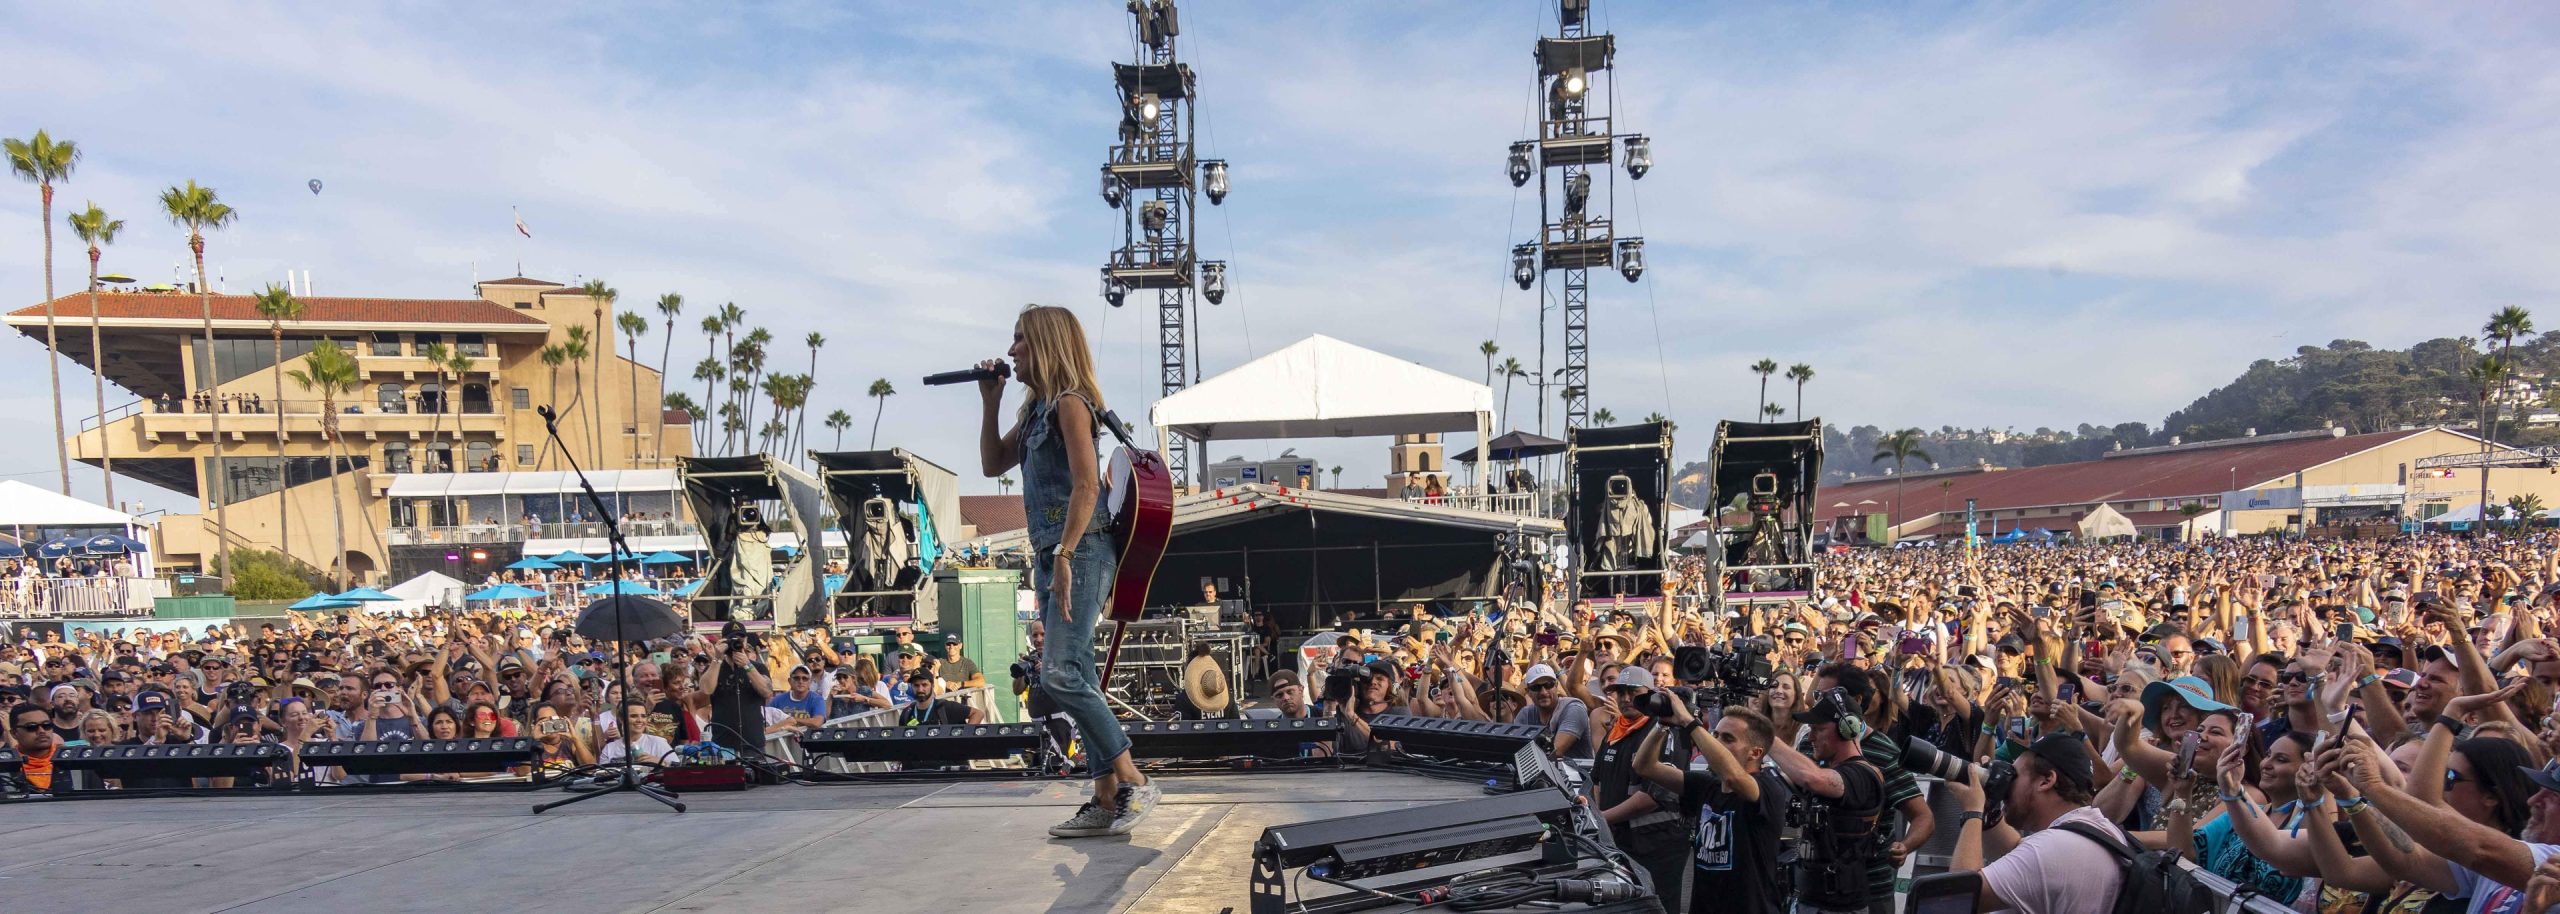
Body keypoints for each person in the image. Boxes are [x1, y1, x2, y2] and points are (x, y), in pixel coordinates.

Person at [977, 303, 1155, 838]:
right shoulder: (1034, 410)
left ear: (1047, 344)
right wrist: (991, 402)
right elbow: (991, 464)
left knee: (1058, 673)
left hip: (1081, 550)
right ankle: (1104, 797)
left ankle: (1130, 775)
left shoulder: (1072, 403)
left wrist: (1066, 555)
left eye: (1020, 341)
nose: (1011, 352)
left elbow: (1086, 485)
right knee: (1072, 672)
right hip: (1053, 553)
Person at [1632, 699, 1791, 914]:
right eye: (1715, 735)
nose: (1715, 742)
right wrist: (1662, 725)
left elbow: (1734, 777)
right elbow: (1644, 765)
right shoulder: (1707, 785)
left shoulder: (1767, 788)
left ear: (1755, 753)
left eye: (1728, 738)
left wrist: (1689, 721)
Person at [1944, 733, 2126, 914]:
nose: (2007, 784)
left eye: (2013, 775)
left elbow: (1956, 899)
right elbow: (2017, 848)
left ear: (2046, 781)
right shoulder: (2096, 830)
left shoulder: (2055, 848)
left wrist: (1972, 811)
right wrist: (1987, 810)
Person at [1767, 686, 1886, 914]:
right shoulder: (1827, 773)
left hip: (1840, 907)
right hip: (1806, 898)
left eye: (1818, 729)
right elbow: (1794, 832)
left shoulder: (1863, 776)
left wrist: (1763, 733)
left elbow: (1812, 778)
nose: (1810, 736)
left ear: (1847, 728)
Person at [698, 622, 771, 751]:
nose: (737, 643)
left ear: (746, 640)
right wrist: (717, 658)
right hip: (723, 743)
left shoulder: (758, 667)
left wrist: (747, 665)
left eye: (741, 639)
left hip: (753, 742)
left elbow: (766, 692)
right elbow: (706, 690)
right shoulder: (714, 667)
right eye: (732, 639)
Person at [1514, 663, 1594, 760]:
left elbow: (1556, 752)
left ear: (1556, 685)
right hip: (1536, 772)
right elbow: (1515, 750)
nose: (1543, 692)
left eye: (1548, 685)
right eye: (1536, 687)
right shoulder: (1525, 714)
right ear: (1528, 692)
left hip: (1577, 773)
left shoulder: (1574, 708)